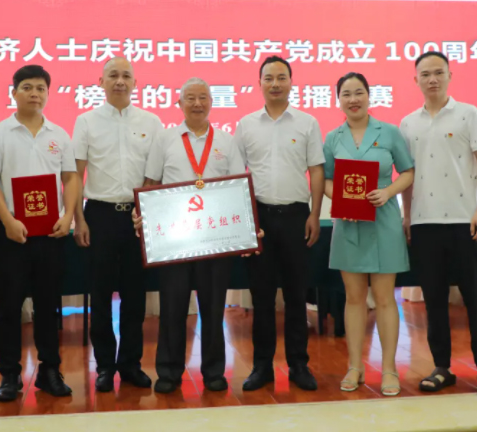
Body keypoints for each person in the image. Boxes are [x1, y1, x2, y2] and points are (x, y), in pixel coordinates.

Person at [132, 78, 246, 394]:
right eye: (190, 98)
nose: (197, 104)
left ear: (212, 102)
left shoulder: (227, 141)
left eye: (203, 98)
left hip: (215, 239)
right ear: (179, 103)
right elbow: (151, 183)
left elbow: (238, 186)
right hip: (175, 240)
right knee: (172, 307)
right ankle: (169, 372)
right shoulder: (165, 139)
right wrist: (142, 214)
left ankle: (213, 372)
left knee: (213, 308)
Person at [400, 51, 477, 398]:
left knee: (475, 299)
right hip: (424, 223)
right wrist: (408, 215)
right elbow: (408, 175)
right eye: (425, 74)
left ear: (449, 75)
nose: (432, 79)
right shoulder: (408, 123)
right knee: (434, 301)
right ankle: (441, 367)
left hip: (464, 221)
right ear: (415, 80)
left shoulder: (468, 114)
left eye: (438, 72)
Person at [0, 65, 81, 401]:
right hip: (11, 235)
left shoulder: (59, 135)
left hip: (50, 235)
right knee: (9, 307)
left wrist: (68, 216)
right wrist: (7, 220)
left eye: (40, 88)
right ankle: (9, 376)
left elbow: (70, 177)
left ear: (48, 94)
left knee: (48, 306)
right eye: (27, 87)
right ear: (14, 93)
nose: (34, 93)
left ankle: (49, 371)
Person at [232, 55, 324, 392]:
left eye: (281, 77)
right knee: (262, 297)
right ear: (259, 83)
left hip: (297, 216)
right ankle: (262, 367)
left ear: (291, 82)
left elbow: (316, 170)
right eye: (268, 78)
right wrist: (245, 221)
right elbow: (236, 176)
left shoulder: (307, 123)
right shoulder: (246, 125)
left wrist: (314, 214)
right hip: (260, 219)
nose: (275, 84)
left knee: (297, 295)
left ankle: (299, 365)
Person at [72, 57, 162, 392]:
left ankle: (130, 364)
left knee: (134, 296)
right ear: (101, 82)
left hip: (137, 218)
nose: (120, 81)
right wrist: (78, 218)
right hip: (99, 216)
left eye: (126, 76)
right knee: (100, 294)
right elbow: (76, 173)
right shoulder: (86, 121)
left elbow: (154, 173)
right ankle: (105, 366)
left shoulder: (151, 122)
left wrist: (146, 208)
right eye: (113, 75)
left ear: (135, 83)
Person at [322, 72, 415, 396]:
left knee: (385, 299)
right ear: (338, 100)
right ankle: (354, 366)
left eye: (358, 92)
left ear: (369, 96)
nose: (353, 99)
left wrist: (388, 192)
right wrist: (341, 201)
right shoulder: (333, 138)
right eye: (346, 94)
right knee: (354, 298)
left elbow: (408, 172)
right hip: (349, 224)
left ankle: (389, 368)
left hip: (384, 220)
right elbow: (326, 179)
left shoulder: (389, 132)